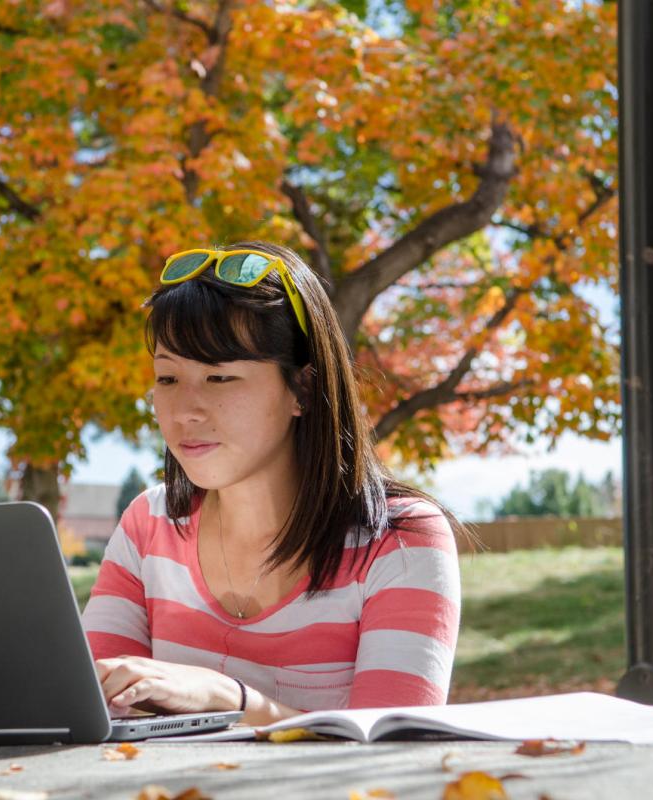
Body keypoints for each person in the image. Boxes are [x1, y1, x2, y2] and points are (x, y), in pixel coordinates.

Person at [81, 241, 461, 726]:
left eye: (219, 378)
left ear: (302, 389)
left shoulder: (399, 540)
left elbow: (392, 752)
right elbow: (94, 717)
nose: (184, 411)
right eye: (168, 379)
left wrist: (232, 700)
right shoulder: (147, 525)